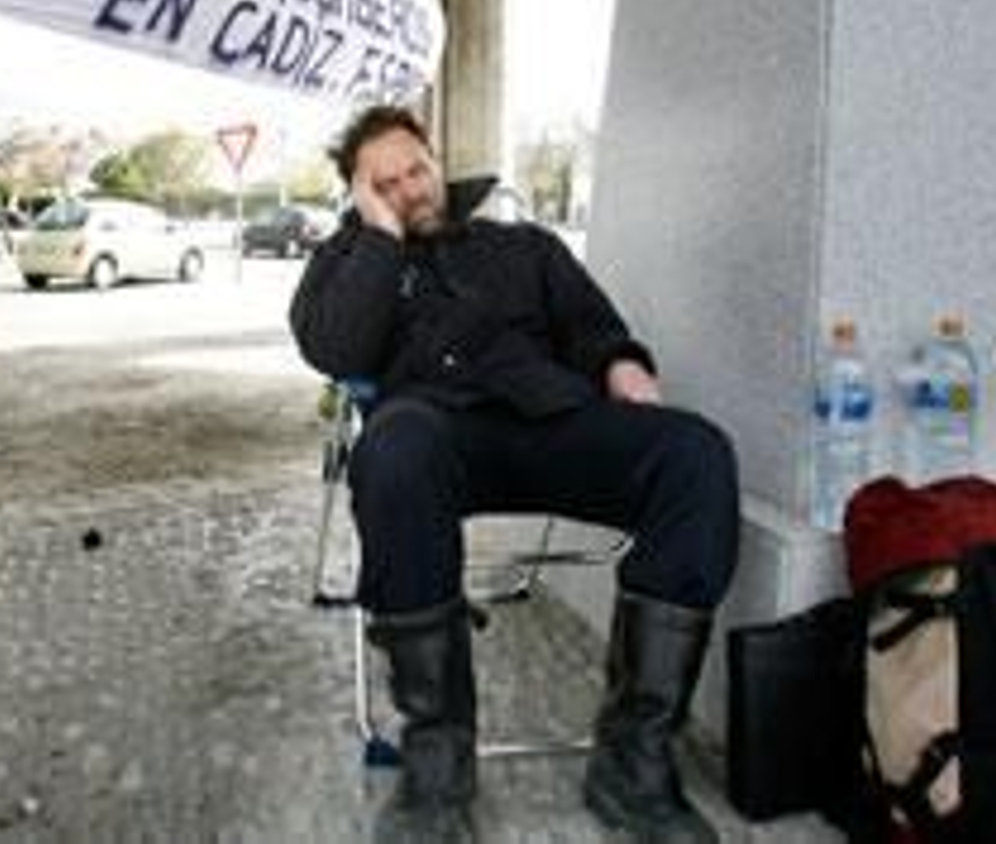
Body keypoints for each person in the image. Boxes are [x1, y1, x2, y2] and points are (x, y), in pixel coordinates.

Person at [290, 105, 741, 843]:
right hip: (435, 435)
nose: (411, 188)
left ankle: (633, 758)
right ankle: (437, 764)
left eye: (417, 169)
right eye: (387, 183)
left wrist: (623, 367)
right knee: (393, 450)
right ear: (360, 194)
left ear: (437, 161)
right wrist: (378, 238)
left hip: (551, 419)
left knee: (696, 454)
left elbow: (595, 328)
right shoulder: (346, 264)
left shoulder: (524, 246)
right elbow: (336, 348)